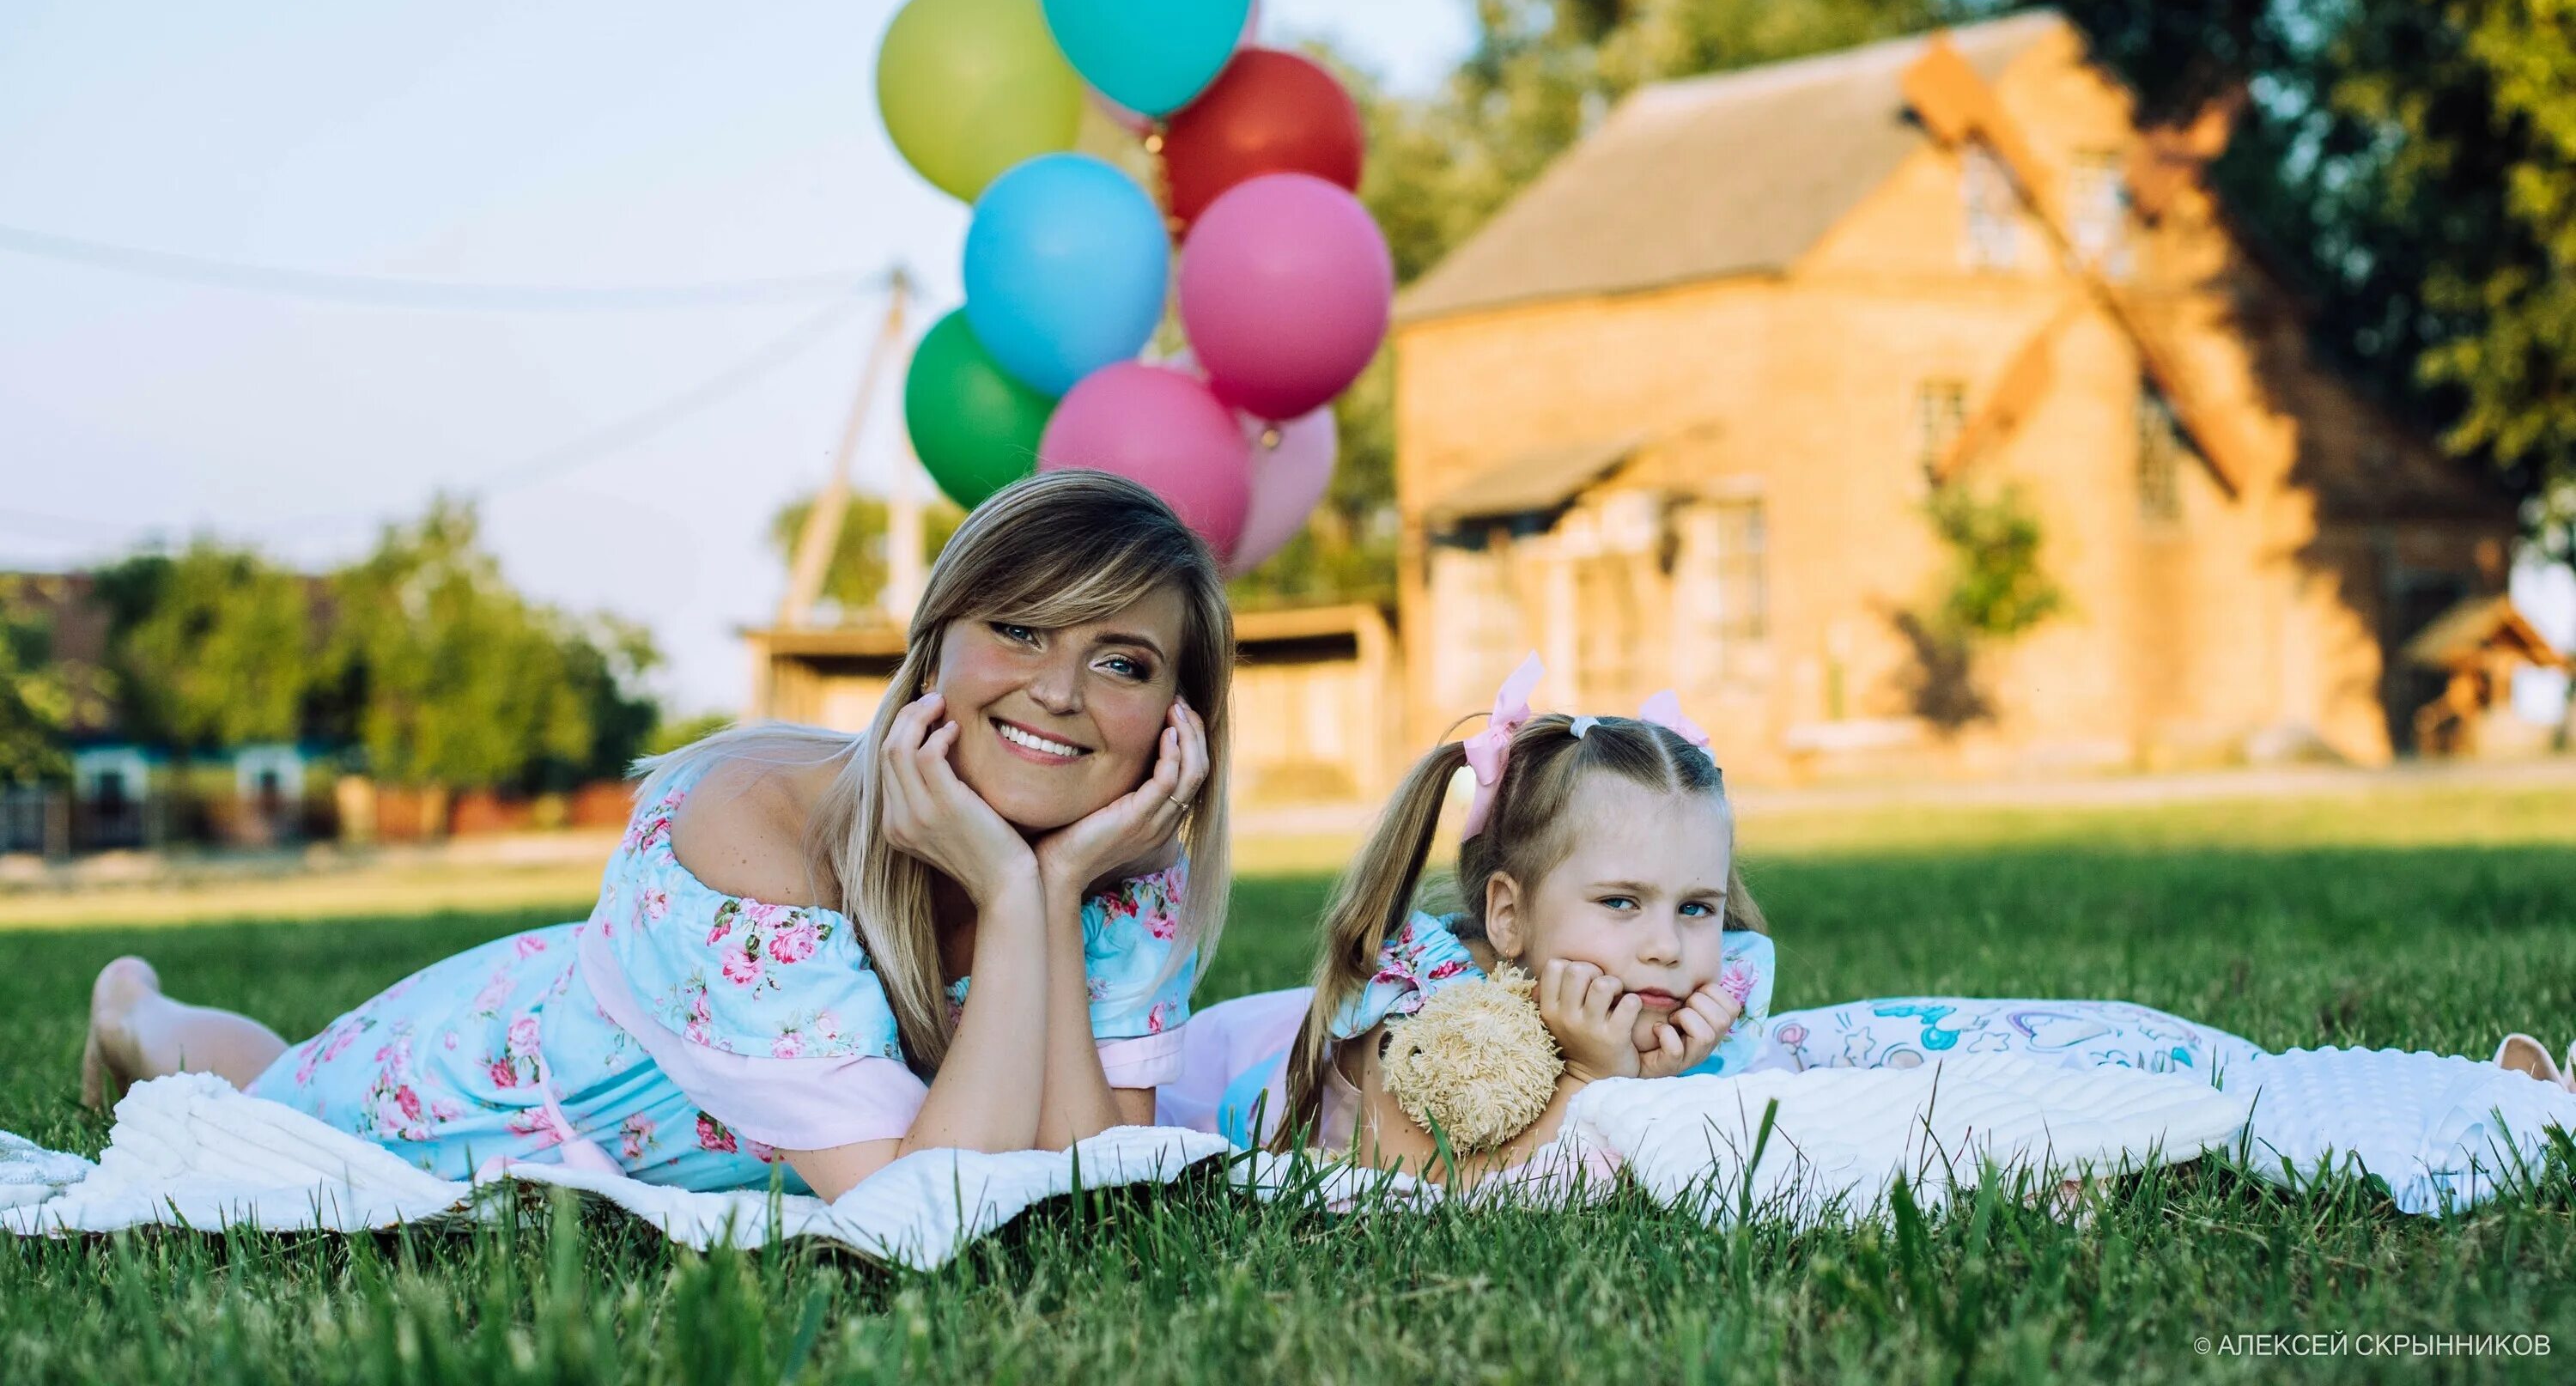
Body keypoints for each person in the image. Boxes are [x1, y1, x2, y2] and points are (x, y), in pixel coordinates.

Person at [82, 469, 1235, 1201]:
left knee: (264, 1077)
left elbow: (1098, 1181)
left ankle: (149, 1018)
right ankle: (135, 1012)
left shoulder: (1114, 861)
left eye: (1123, 662)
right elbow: (927, 1211)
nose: (1062, 690)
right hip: (465, 1097)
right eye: (1023, 631)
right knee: (265, 1112)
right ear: (935, 649)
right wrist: (1004, 875)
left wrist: (1041, 888)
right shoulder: (753, 830)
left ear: (1179, 716)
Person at [1161, 653, 1774, 1182]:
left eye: (1696, 908)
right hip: (1213, 1076)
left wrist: (1654, 1079)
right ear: (1508, 915)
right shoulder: (1426, 1027)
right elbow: (1430, 1195)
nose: (1666, 947)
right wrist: (1593, 1081)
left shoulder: (1687, 1009)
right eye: (1620, 902)